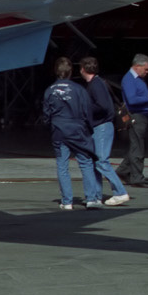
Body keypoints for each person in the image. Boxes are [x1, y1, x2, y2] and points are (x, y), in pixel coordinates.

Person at [44, 57, 101, 209]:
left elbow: (46, 114)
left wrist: (50, 125)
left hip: (59, 129)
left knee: (62, 165)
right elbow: (87, 111)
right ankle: (91, 198)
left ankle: (67, 201)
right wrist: (89, 129)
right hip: (77, 129)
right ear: (71, 72)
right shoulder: (79, 90)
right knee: (86, 162)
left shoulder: (50, 90)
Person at [77, 56, 131, 205]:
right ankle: (96, 195)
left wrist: (85, 109)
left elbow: (103, 106)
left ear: (83, 69)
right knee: (96, 161)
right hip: (100, 126)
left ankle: (120, 192)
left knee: (101, 161)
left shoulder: (95, 85)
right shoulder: (98, 83)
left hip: (102, 126)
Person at [115, 54, 148, 188]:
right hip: (136, 116)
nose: (147, 72)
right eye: (146, 69)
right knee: (138, 148)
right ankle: (137, 177)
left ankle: (123, 171)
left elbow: (141, 92)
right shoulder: (129, 79)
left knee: (136, 146)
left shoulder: (138, 79)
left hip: (144, 116)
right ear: (137, 66)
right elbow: (132, 100)